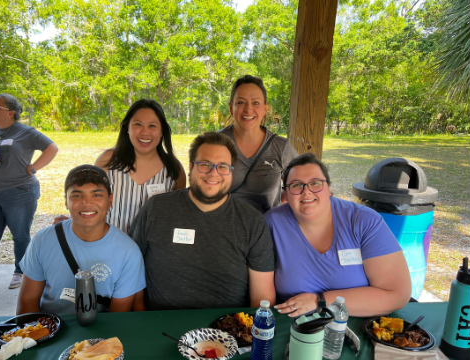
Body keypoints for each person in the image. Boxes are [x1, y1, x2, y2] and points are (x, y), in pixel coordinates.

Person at [129, 131, 276, 310]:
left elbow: (262, 297)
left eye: (223, 166)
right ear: (191, 166)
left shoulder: (252, 222)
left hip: (227, 329)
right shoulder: (156, 209)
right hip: (160, 325)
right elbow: (131, 269)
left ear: (232, 171)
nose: (213, 173)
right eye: (205, 164)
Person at [265, 153, 411, 318]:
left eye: (315, 183)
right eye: (296, 185)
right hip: (294, 326)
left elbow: (397, 294)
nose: (306, 192)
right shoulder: (272, 223)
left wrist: (320, 302)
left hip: (356, 325)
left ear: (329, 189)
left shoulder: (363, 220)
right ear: (286, 194)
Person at [16, 165, 145, 314]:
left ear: (110, 200)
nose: (87, 203)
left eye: (97, 195)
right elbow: (28, 301)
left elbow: (117, 318)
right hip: (52, 328)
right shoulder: (42, 240)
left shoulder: (128, 252)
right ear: (66, 201)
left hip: (101, 332)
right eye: (77, 195)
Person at [0, 94, 59, 299]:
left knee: (20, 235)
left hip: (20, 192)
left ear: (10, 113)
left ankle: (20, 272)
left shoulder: (25, 132)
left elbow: (52, 148)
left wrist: (34, 167)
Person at [52, 99, 186, 233]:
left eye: (152, 126)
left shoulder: (174, 169)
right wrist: (73, 220)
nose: (145, 132)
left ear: (162, 131)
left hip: (152, 251)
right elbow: (91, 201)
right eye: (138, 124)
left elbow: (175, 215)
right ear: (127, 128)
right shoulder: (108, 161)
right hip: (110, 248)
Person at [217, 75, 298, 214]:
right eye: (241, 102)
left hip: (266, 229)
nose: (248, 109)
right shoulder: (215, 143)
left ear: (265, 108)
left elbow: (299, 188)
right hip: (223, 228)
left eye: (255, 103)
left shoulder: (280, 147)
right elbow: (200, 188)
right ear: (231, 108)